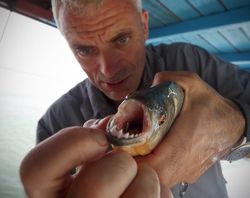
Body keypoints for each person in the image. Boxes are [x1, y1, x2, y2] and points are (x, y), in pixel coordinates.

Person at [20, 0, 250, 197]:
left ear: (144, 25)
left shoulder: (190, 61)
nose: (108, 70)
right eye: (84, 50)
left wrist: (236, 126)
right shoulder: (54, 126)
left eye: (121, 39)